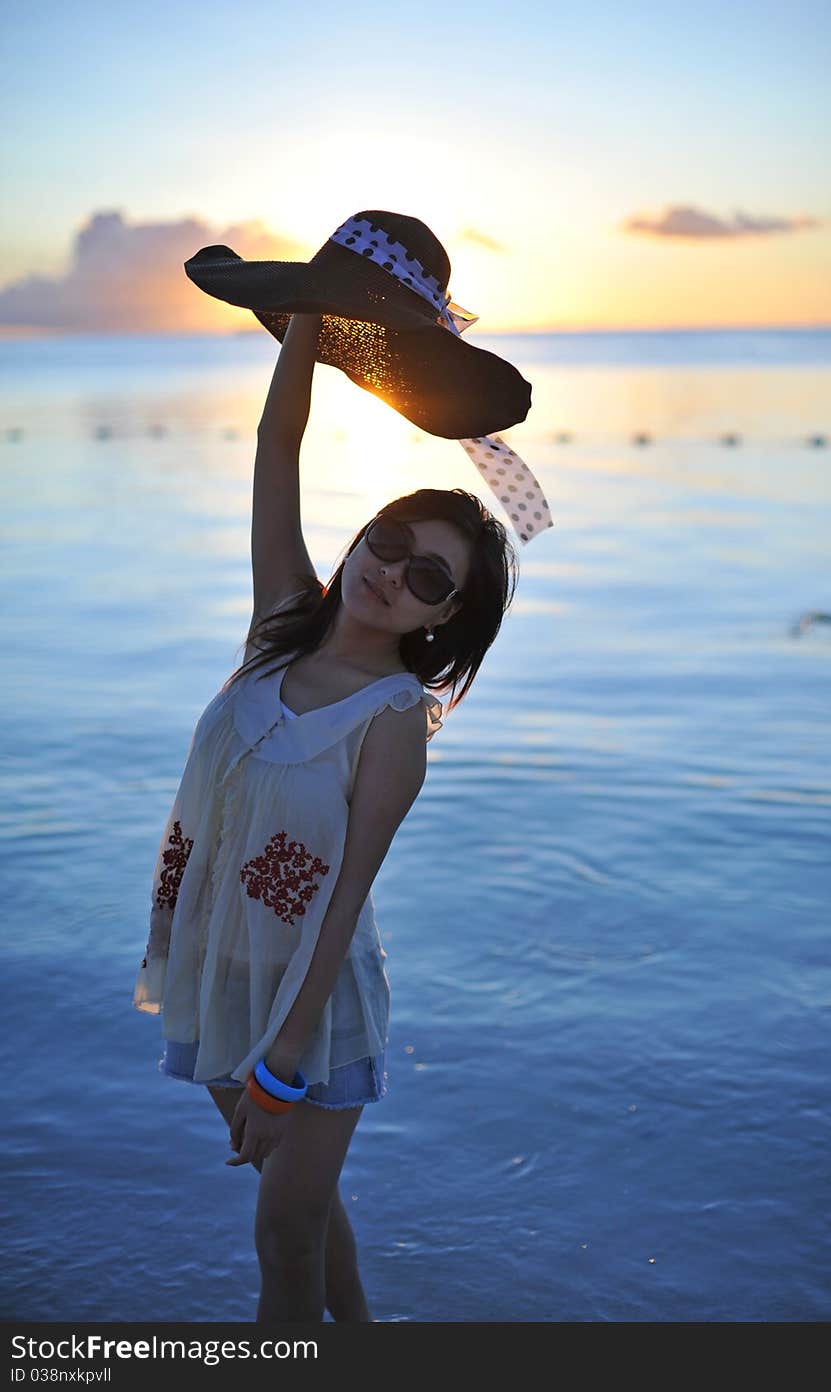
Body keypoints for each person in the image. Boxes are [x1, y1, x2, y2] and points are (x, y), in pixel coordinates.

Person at [133, 311, 519, 1322]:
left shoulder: (393, 717)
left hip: (310, 1004)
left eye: (427, 577)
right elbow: (276, 445)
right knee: (296, 1209)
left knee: (279, 1232)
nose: (392, 573)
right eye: (388, 544)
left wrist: (282, 1063)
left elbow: (346, 899)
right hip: (217, 967)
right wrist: (308, 310)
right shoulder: (275, 628)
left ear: (443, 617)